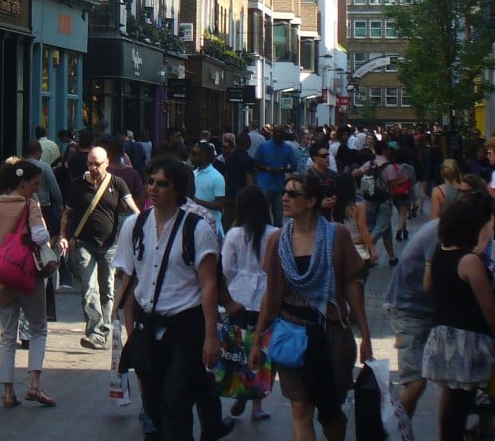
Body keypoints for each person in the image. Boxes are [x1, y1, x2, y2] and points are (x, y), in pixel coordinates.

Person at [114, 158, 235, 441]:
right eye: (151, 181)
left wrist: (210, 338)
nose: (153, 188)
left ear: (178, 189)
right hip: (147, 327)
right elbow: (129, 282)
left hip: (185, 328)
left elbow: (208, 285)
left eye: (162, 183)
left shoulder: (197, 228)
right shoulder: (134, 225)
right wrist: (130, 331)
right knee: (153, 408)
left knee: (175, 405)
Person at [249, 171, 373, 441]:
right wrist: (257, 340)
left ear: (311, 201)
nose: (284, 198)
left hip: (331, 334)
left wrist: (365, 334)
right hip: (292, 332)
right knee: (300, 407)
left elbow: (352, 285)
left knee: (330, 410)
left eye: (293, 194)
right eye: (284, 191)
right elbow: (270, 295)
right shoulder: (277, 241)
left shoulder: (335, 234)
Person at [422, 192, 495, 441]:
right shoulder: (470, 261)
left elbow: (428, 287)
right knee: (461, 402)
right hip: (466, 339)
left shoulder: (439, 252)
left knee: (454, 400)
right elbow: (488, 306)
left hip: (442, 335)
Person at [0, 159, 56, 408]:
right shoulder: (29, 205)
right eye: (35, 183)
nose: (36, 188)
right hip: (26, 276)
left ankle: (7, 392)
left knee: (6, 335)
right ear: (23, 182)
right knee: (38, 328)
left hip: (1, 276)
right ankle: (34, 384)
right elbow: (39, 236)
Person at [59, 144, 139, 350]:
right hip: (85, 244)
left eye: (97, 164)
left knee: (108, 289)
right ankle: (94, 332)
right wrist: (63, 236)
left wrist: (143, 222)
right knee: (88, 288)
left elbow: (131, 207)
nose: (93, 168)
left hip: (111, 245)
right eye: (90, 164)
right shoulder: (77, 185)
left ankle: (105, 330)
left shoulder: (117, 183)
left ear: (106, 164)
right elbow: (67, 214)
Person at [221, 184, 278, 422]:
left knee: (240, 348)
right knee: (264, 351)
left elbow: (226, 268)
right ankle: (257, 404)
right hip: (267, 300)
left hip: (238, 298)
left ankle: (240, 390)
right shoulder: (276, 233)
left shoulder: (234, 234)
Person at [386, 211, 443, 419]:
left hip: (423, 309)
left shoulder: (440, 228)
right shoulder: (439, 234)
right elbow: (430, 283)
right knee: (415, 382)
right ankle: (392, 430)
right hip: (408, 309)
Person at [333, 172, 378, 275]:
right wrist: (372, 249)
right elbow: (363, 229)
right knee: (359, 278)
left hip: (339, 245)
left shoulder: (334, 205)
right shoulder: (358, 206)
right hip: (358, 245)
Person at [253, 125, 298, 226]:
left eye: (281, 132)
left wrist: (283, 169)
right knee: (263, 213)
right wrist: (267, 168)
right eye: (277, 132)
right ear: (273, 133)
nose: (279, 134)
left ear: (284, 134)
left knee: (278, 218)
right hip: (264, 184)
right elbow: (255, 163)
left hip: (279, 186)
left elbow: (294, 166)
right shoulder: (263, 146)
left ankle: (276, 235)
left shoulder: (288, 149)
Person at [190, 140, 227, 239]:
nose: (191, 156)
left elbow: (219, 204)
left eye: (194, 153)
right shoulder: (193, 174)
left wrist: (198, 202)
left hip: (212, 227)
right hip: (194, 225)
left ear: (204, 156)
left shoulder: (217, 177)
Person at [308, 140, 337, 220]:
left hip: (332, 216)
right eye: (323, 156)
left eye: (328, 155)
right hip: (313, 218)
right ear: (315, 158)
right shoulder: (308, 176)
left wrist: (335, 198)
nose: (327, 158)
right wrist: (320, 203)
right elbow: (303, 200)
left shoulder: (333, 175)